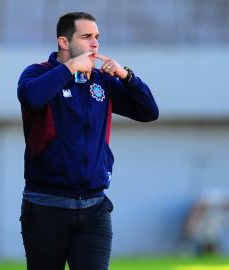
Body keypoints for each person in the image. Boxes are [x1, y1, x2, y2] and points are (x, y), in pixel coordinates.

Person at [17, 12, 158, 270]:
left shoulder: (102, 81)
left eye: (97, 37)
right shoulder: (38, 73)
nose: (95, 44)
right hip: (46, 206)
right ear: (63, 42)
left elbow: (149, 112)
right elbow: (32, 98)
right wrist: (69, 68)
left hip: (94, 208)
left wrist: (126, 75)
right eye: (86, 37)